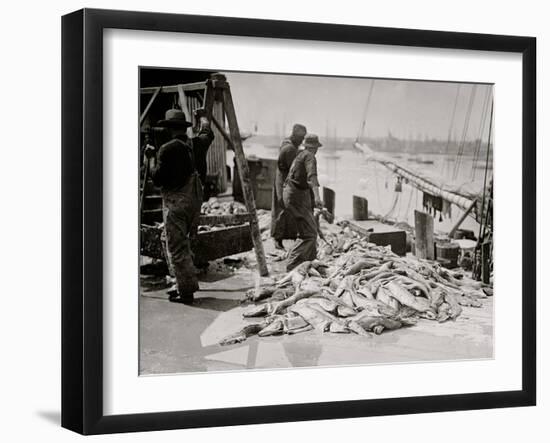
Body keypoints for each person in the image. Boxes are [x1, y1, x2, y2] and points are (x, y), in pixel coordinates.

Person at [145, 108, 215, 304]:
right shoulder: (197, 143)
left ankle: (186, 292)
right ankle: (181, 282)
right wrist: (202, 116)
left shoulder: (167, 149)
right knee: (175, 241)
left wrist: (149, 158)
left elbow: (157, 178)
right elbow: (207, 132)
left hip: (177, 203)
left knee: (176, 247)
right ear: (183, 128)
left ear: (168, 128)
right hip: (194, 201)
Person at [282, 133, 323, 271]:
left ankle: (310, 262)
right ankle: (292, 265)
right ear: (314, 147)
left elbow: (301, 177)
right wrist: (317, 197)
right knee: (310, 234)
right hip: (295, 197)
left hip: (290, 195)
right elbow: (312, 177)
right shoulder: (310, 157)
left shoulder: (300, 155)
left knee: (306, 230)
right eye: (316, 147)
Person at [271, 123, 307, 250]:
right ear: (295, 136)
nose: (302, 141)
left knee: (287, 208)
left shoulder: (287, 143)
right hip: (284, 182)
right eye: (301, 138)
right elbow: (294, 168)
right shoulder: (289, 149)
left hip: (283, 179)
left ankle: (287, 237)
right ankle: (278, 239)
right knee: (283, 209)